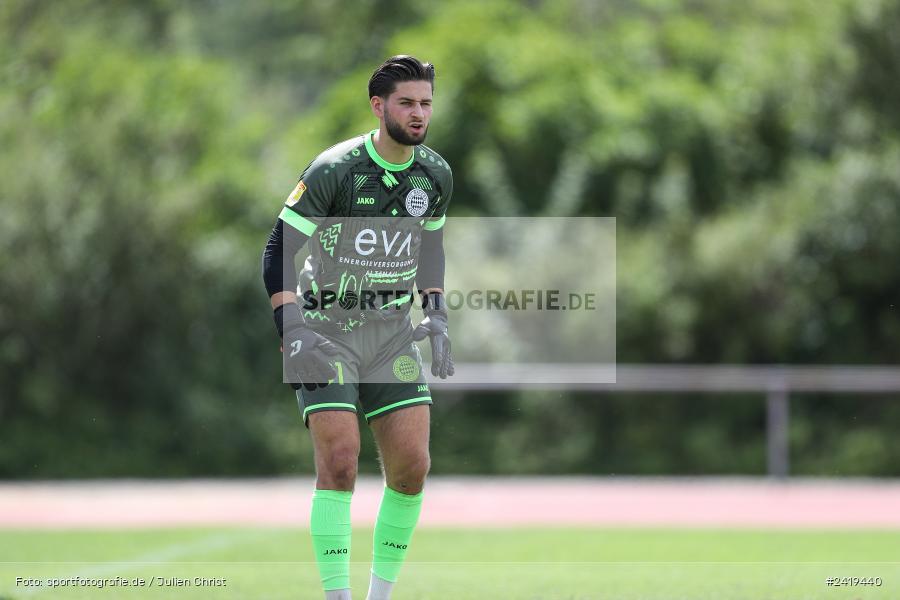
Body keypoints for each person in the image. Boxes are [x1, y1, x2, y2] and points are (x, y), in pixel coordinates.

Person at [261, 55, 454, 600]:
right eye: (406, 103)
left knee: (412, 468)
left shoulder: (436, 175)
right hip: (325, 331)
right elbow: (277, 251)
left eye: (426, 104)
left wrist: (436, 313)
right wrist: (292, 327)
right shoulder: (334, 169)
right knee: (341, 462)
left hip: (392, 334)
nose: (418, 114)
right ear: (378, 106)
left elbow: (431, 251)